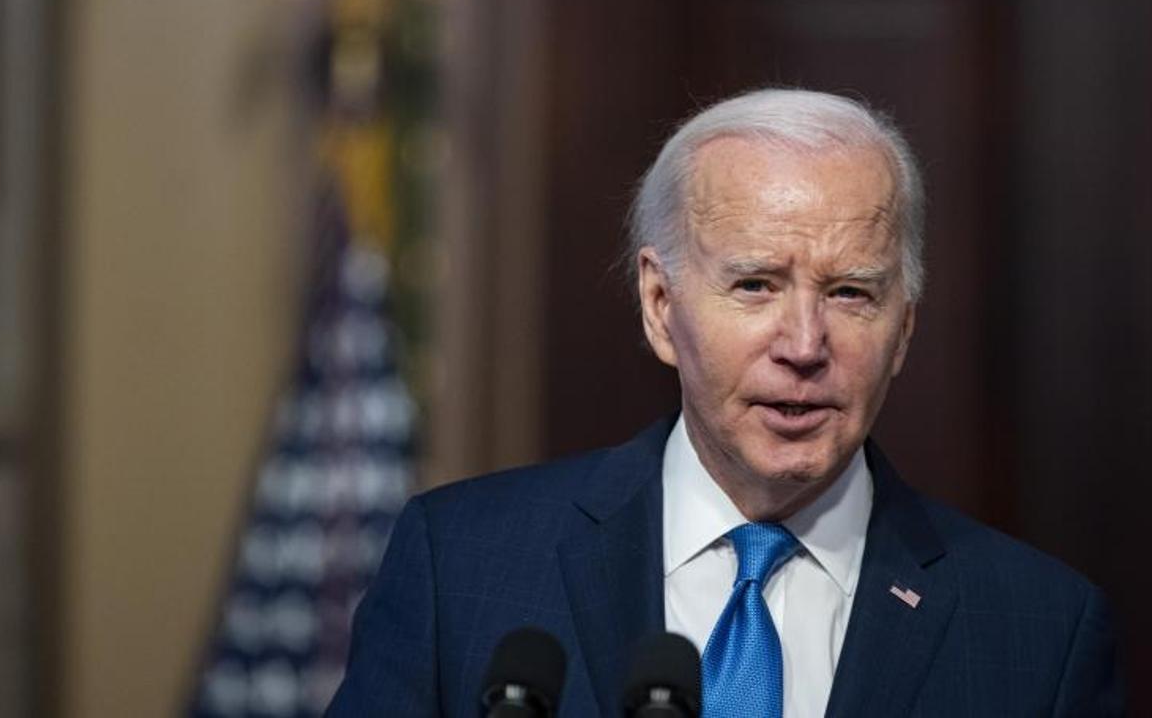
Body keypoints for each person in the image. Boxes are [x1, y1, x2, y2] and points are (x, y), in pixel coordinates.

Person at [325, 88, 1124, 717]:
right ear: (659, 304)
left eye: (851, 294)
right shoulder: (461, 568)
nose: (805, 345)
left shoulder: (1038, 631)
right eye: (755, 285)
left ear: (904, 330)